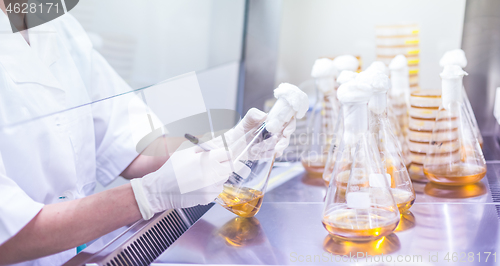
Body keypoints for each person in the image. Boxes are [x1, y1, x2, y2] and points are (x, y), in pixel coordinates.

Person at [0, 3, 295, 265]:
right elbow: (8, 238)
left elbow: (138, 146)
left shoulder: (55, 24)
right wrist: (146, 196)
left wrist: (232, 144)